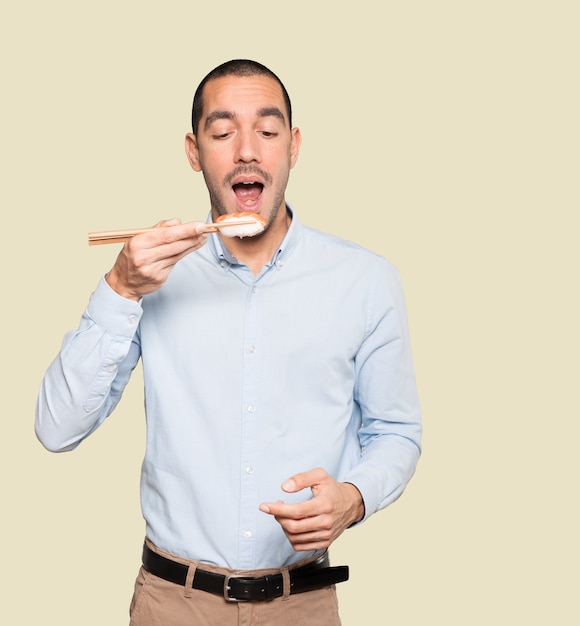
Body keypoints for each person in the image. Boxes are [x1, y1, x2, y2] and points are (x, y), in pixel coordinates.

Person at [35, 59, 422, 626]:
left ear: (292, 146)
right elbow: (56, 429)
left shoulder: (365, 280)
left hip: (304, 603)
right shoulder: (150, 275)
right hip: (172, 602)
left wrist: (354, 497)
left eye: (267, 132)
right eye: (222, 133)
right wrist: (120, 289)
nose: (247, 151)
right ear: (194, 152)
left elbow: (396, 431)